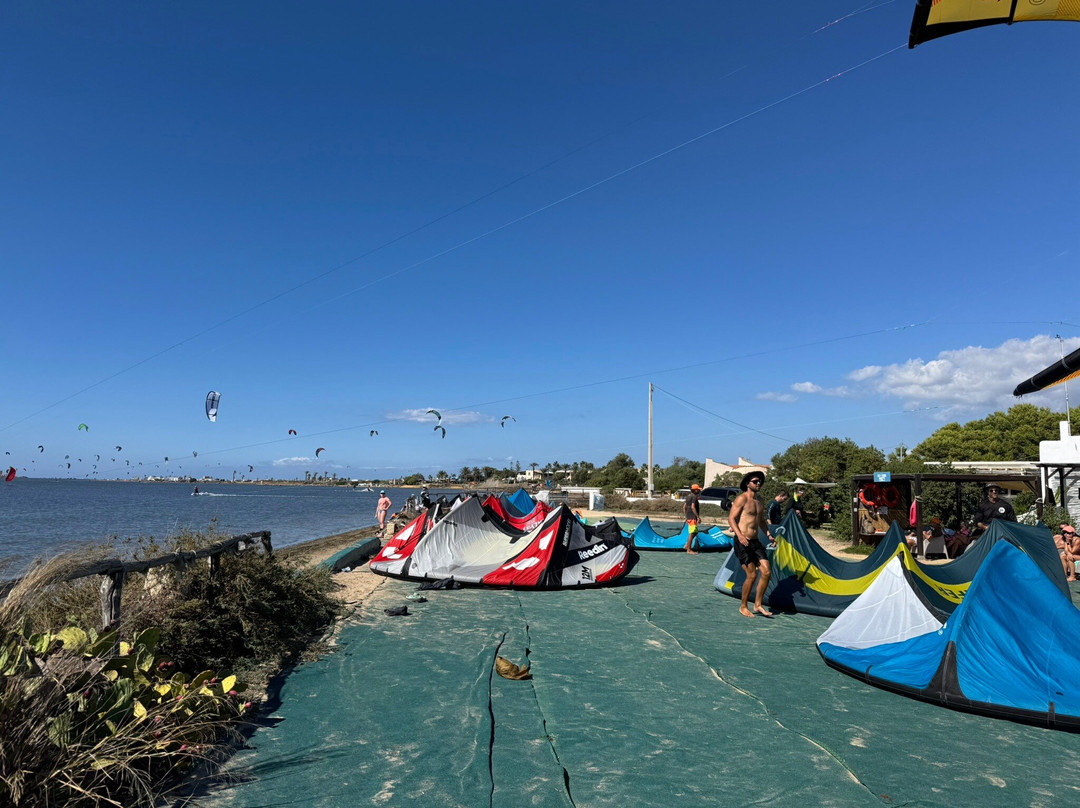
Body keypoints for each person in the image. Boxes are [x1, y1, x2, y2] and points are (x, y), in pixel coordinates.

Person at [730, 470, 772, 618]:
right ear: (748, 484)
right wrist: (740, 535)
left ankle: (758, 605)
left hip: (755, 542)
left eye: (760, 481)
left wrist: (768, 534)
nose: (758, 483)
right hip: (743, 542)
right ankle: (743, 606)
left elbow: (761, 521)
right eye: (755, 481)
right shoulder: (742, 499)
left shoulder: (760, 501)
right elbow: (731, 519)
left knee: (766, 572)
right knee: (752, 575)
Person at [683, 484, 702, 554]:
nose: (699, 491)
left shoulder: (688, 496)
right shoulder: (694, 497)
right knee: (692, 533)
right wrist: (697, 517)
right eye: (698, 489)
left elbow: (684, 507)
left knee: (695, 532)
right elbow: (693, 507)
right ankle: (689, 550)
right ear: (695, 490)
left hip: (689, 517)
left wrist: (686, 516)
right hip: (692, 517)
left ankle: (687, 545)